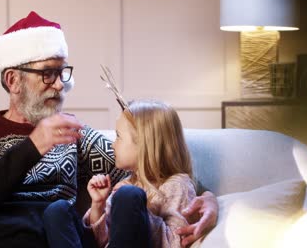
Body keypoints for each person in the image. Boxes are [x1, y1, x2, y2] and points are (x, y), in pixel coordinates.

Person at [0, 11, 217, 248]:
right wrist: (33, 146)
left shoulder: (70, 134)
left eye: (62, 72)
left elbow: (154, 165)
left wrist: (208, 199)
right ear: (13, 80)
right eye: (48, 73)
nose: (60, 84)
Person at [49, 99, 199, 248]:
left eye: (119, 137)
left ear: (144, 145)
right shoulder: (127, 183)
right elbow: (100, 242)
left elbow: (177, 242)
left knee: (129, 195)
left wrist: (141, 210)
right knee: (57, 211)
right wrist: (98, 205)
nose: (113, 144)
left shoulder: (178, 186)